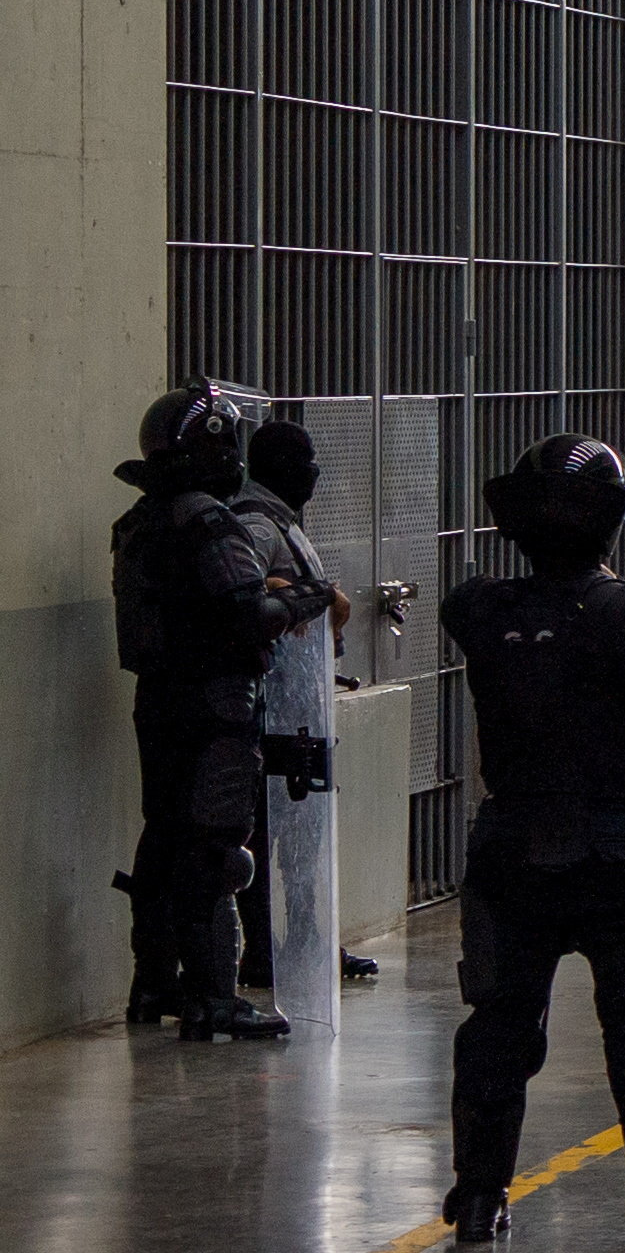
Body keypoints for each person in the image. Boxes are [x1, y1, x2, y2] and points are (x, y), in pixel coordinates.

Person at [438, 436, 625, 1243]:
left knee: (497, 1026)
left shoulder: (478, 609)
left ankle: (480, 1199)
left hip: (512, 844)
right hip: (623, 846)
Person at [110, 383, 328, 1040]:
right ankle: (212, 996)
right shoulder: (205, 518)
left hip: (160, 699)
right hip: (216, 701)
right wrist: (303, 600)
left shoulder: (141, 521)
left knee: (165, 838)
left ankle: (154, 982)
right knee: (215, 846)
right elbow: (245, 614)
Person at [231, 413, 374, 989]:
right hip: (272, 709)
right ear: (287, 469)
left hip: (295, 707)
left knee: (301, 836)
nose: (315, 475)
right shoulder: (260, 527)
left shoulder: (280, 521)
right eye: (308, 464)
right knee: (271, 836)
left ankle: (307, 941)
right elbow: (247, 593)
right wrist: (302, 595)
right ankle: (270, 950)